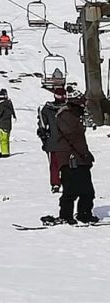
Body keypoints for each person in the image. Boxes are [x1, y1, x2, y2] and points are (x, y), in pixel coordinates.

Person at [45, 89, 98, 225]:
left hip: (80, 158)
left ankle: (84, 213)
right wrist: (85, 153)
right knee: (70, 190)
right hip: (69, 158)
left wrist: (85, 154)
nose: (84, 106)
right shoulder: (66, 115)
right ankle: (66, 215)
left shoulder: (76, 115)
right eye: (82, 104)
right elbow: (73, 137)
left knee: (87, 191)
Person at [37, 87, 66, 193]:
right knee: (66, 163)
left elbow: (42, 125)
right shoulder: (68, 108)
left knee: (54, 164)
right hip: (64, 141)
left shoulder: (47, 109)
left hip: (55, 141)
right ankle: (62, 183)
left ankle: (56, 183)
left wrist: (42, 133)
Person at [0, 89, 15, 158]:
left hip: (2, 124)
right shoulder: (8, 103)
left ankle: (5, 153)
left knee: (3, 139)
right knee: (5, 139)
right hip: (7, 124)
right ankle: (4, 151)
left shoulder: (1, 105)